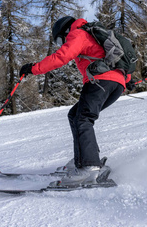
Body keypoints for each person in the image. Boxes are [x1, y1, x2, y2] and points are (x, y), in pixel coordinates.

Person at [19, 16, 133, 186]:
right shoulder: (93, 35)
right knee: (75, 115)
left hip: (99, 81)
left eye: (59, 39)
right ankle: (83, 158)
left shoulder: (78, 33)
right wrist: (126, 79)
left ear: (65, 31)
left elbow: (61, 57)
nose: (61, 43)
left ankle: (89, 167)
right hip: (115, 83)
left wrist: (34, 68)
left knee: (83, 118)